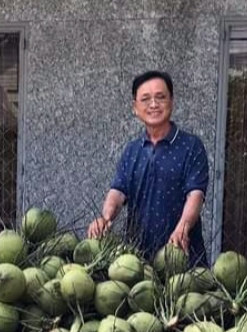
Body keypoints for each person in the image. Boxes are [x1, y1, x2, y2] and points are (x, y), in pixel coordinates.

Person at [87, 70, 210, 266]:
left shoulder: (191, 146)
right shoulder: (132, 150)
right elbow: (118, 192)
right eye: (145, 99)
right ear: (135, 107)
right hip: (136, 261)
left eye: (160, 97)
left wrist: (182, 228)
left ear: (172, 101)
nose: (153, 104)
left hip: (182, 257)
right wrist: (105, 218)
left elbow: (195, 194)